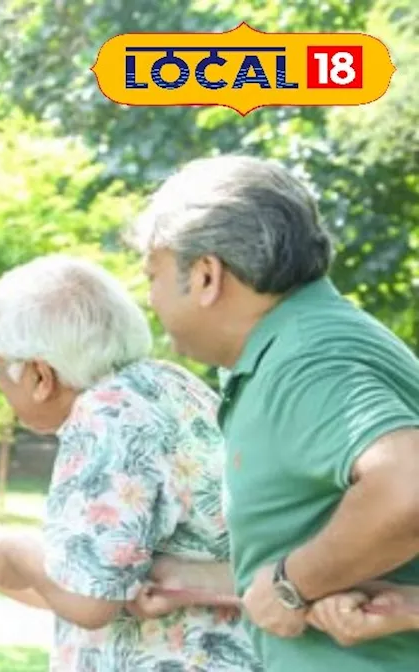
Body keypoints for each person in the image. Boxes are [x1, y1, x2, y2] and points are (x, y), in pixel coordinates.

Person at [0, 255, 259, 671]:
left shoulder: (106, 416)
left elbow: (89, 600)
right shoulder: (165, 383)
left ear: (40, 375)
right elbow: (78, 582)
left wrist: (17, 551)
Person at [128, 154, 419, 668]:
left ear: (205, 275)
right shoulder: (292, 347)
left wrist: (292, 582)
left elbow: (409, 489)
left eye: (153, 274)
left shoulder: (307, 359)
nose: (150, 298)